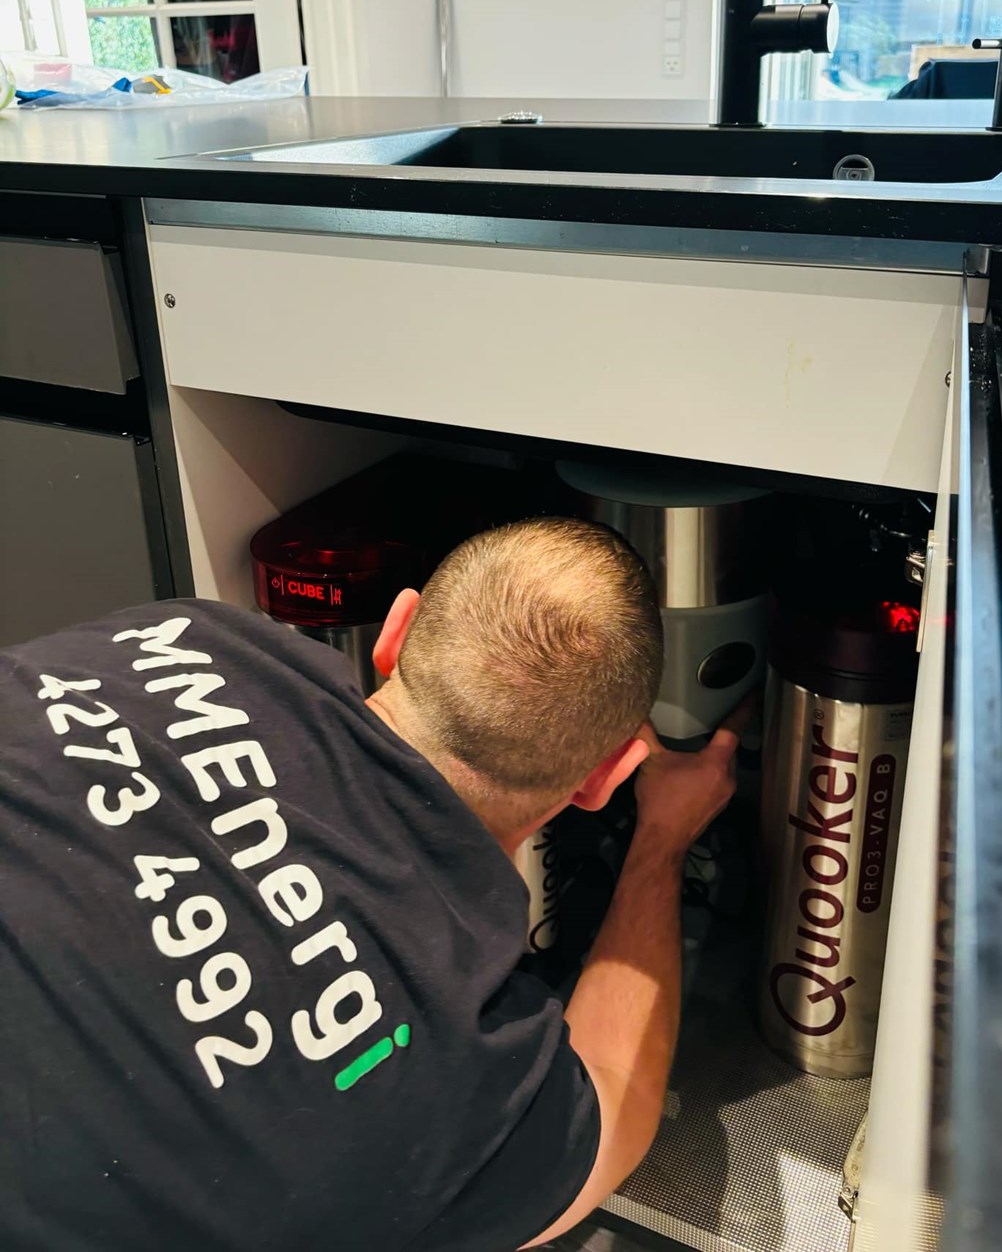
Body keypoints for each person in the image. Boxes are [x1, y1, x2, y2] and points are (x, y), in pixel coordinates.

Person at [0, 517, 739, 1251]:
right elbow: (610, 1102)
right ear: (604, 778)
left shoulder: (188, 630)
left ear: (395, 632)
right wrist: (661, 840)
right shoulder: (460, 1082)